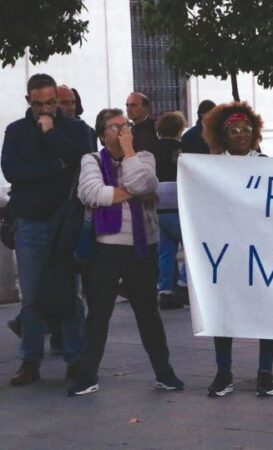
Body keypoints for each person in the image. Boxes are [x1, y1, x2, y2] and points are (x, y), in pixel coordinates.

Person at [67, 108, 185, 396]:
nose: (123, 130)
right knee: (99, 314)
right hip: (105, 248)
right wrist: (132, 191)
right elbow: (92, 193)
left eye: (126, 125)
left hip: (142, 247)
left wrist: (129, 153)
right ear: (102, 134)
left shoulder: (143, 157)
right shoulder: (91, 160)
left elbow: (145, 182)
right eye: (115, 126)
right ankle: (87, 374)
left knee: (148, 314)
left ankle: (164, 373)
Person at [1, 74, 90, 386]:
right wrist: (54, 168)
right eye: (38, 104)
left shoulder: (75, 129)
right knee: (32, 294)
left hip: (66, 219)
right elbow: (12, 170)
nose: (45, 110)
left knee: (70, 292)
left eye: (50, 103)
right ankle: (30, 359)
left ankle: (76, 358)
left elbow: (82, 160)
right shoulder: (15, 131)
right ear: (28, 101)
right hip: (30, 220)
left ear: (59, 99)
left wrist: (52, 135)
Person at [202, 101, 273, 398]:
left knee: (266, 311)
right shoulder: (209, 168)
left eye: (246, 128)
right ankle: (224, 373)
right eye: (233, 129)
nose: (241, 134)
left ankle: (266, 372)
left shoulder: (268, 164)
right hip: (226, 250)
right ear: (222, 134)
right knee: (224, 310)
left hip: (261, 248)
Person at [151, 112, 188, 310]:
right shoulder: (181, 150)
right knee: (191, 246)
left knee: (165, 250)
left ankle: (165, 290)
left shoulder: (151, 150)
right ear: (179, 129)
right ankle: (184, 283)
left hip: (157, 201)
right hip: (177, 200)